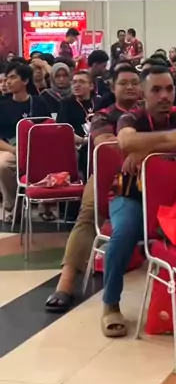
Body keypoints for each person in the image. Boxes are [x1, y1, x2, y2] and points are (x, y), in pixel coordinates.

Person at [103, 66, 176, 336]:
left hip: (175, 199)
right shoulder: (131, 117)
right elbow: (126, 141)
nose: (164, 96)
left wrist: (146, 147)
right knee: (123, 233)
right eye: (156, 90)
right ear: (143, 94)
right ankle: (111, 304)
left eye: (169, 89)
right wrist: (174, 139)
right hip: (131, 195)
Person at [45, 65, 142, 313]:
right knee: (88, 214)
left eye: (134, 82)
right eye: (124, 83)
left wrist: (140, 148)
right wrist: (149, 146)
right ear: (112, 88)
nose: (130, 87)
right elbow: (105, 143)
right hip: (109, 177)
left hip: (152, 175)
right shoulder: (103, 116)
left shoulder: (150, 113)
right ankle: (65, 283)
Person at [0, 62, 51, 222]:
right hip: (11, 149)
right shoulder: (2, 106)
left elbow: (49, 127)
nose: (8, 82)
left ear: (25, 81)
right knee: (3, 165)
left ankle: (46, 203)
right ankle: (13, 205)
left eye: (12, 77)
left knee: (53, 158)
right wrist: (15, 150)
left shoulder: (38, 103)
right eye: (6, 78)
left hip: (38, 148)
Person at [56, 70, 100, 177]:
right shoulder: (66, 103)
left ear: (91, 86)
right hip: (77, 145)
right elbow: (63, 129)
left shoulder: (99, 102)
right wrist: (83, 141)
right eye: (74, 82)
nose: (77, 85)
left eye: (81, 82)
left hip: (98, 142)